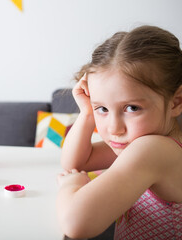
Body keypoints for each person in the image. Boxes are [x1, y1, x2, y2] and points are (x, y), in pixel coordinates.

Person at [56, 25, 182, 240]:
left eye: (132, 108)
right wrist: (87, 112)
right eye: (102, 109)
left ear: (175, 102)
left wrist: (71, 187)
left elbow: (76, 225)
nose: (114, 128)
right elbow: (76, 162)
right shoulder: (144, 140)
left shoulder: (153, 149)